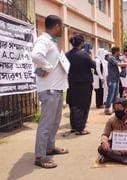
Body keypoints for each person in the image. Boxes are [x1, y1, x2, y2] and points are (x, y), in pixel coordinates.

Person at [31, 15, 69, 168]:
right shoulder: (44, 40)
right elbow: (35, 55)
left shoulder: (52, 42)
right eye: (62, 27)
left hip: (57, 89)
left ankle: (50, 147)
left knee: (54, 122)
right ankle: (40, 156)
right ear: (57, 26)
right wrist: (47, 67)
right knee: (46, 124)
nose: (62, 30)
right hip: (49, 90)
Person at [66, 35, 95, 135]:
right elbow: (93, 65)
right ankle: (80, 128)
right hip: (84, 84)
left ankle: (74, 126)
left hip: (71, 83)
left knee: (73, 104)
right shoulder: (84, 55)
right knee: (83, 106)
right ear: (81, 43)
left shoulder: (67, 55)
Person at [105, 47, 127, 115]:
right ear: (116, 51)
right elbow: (119, 64)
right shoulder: (112, 58)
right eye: (118, 51)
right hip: (112, 79)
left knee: (116, 95)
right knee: (111, 94)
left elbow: (120, 63)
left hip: (116, 79)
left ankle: (115, 108)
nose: (119, 53)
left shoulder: (115, 58)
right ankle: (107, 108)